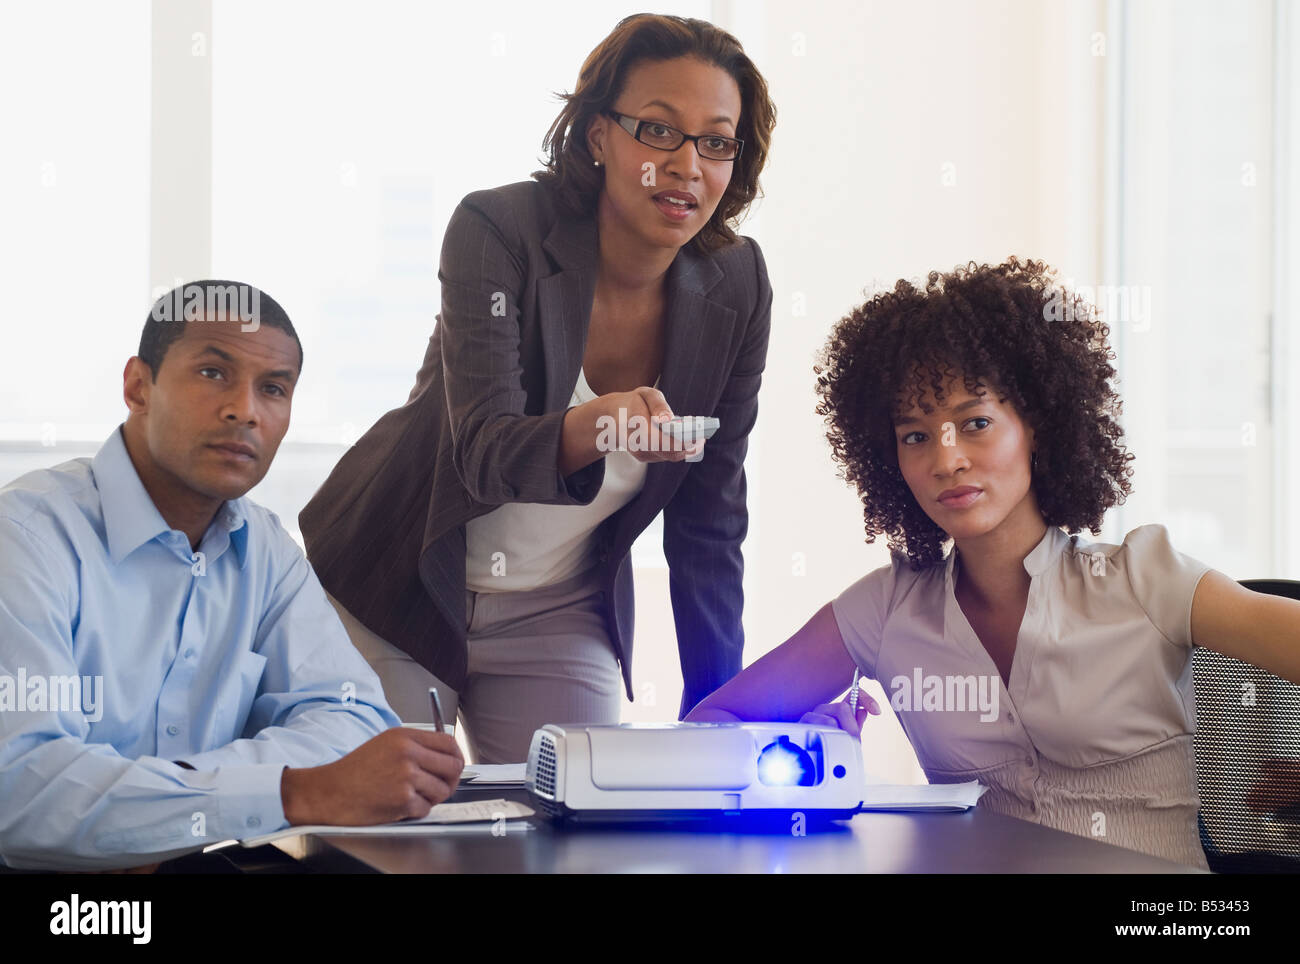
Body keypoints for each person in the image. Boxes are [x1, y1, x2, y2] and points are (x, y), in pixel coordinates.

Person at [685, 257, 1300, 870]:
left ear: (1035, 426)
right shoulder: (884, 610)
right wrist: (802, 747)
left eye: (975, 423)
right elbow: (707, 727)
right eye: (916, 435)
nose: (946, 460)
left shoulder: (1147, 579)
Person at [299, 14, 777, 764]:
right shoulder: (500, 229)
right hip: (397, 585)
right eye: (658, 130)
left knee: (581, 820)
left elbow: (709, 520)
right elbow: (484, 451)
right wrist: (599, 424)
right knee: (385, 836)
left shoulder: (737, 283)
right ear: (597, 137)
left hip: (558, 607)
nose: (687, 164)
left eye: (716, 141)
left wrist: (721, 717)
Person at [0, 281, 463, 872]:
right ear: (138, 387)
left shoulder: (266, 548)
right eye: (214, 373)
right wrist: (290, 791)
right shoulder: (28, 536)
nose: (245, 409)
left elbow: (355, 722)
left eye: (273, 388)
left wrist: (158, 809)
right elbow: (25, 792)